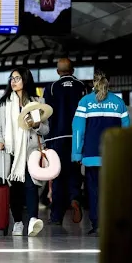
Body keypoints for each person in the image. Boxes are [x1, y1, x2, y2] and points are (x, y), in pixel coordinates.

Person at [72, 69, 130, 235]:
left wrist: (76, 153)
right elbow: (125, 131)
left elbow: (78, 130)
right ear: (108, 81)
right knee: (111, 189)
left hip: (91, 155)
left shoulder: (85, 102)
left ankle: (97, 224)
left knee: (93, 188)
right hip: (113, 155)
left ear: (92, 82)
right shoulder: (119, 103)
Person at [0, 67, 49, 237]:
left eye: (17, 78)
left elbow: (46, 130)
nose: (13, 81)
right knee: (15, 189)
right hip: (11, 152)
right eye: (11, 78)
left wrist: (37, 125)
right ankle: (17, 221)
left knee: (31, 186)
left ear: (25, 80)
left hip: (31, 150)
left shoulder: (36, 101)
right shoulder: (5, 103)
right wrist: (0, 141)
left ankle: (33, 220)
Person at [43, 58, 87, 225]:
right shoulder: (82, 87)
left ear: (57, 71)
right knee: (74, 172)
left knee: (58, 177)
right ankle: (75, 198)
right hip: (77, 137)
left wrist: (46, 139)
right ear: (73, 70)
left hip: (57, 139)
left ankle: (56, 217)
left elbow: (47, 114)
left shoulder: (51, 88)